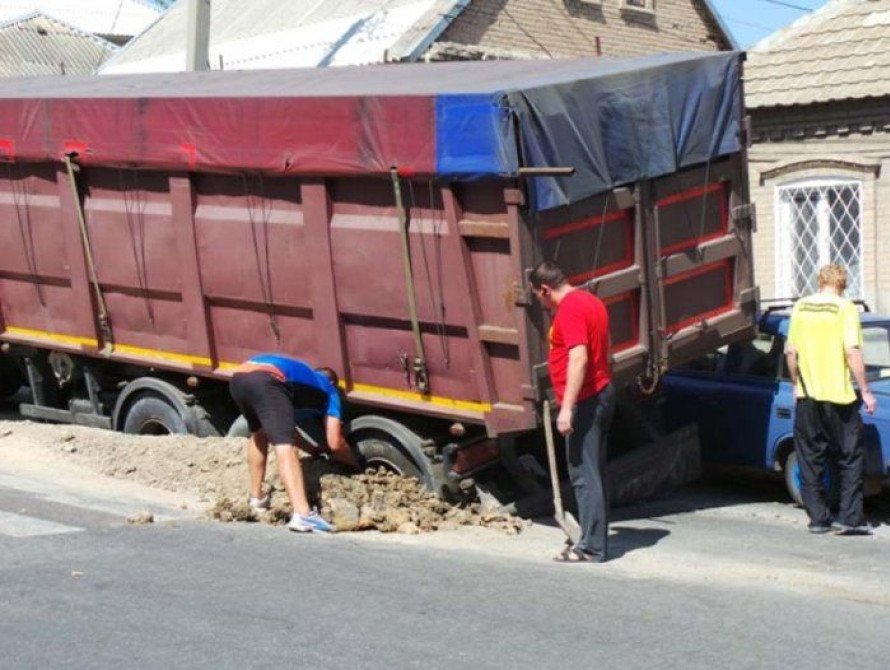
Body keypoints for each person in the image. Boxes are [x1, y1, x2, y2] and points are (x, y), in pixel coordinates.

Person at [530, 260, 616, 562]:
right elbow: (604, 347)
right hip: (602, 393)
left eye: (540, 299)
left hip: (586, 401)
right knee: (596, 473)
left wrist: (567, 408)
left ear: (545, 289)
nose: (543, 306)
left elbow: (578, 358)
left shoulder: (569, 311)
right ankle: (594, 539)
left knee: (583, 474)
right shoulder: (591, 300)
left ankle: (591, 548)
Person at [785, 264, 876, 535]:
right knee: (850, 456)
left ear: (820, 281)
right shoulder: (845, 309)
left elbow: (791, 353)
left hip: (808, 396)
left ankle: (818, 519)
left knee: (809, 457)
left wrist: (795, 384)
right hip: (839, 396)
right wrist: (866, 390)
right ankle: (849, 518)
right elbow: (852, 352)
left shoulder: (800, 307)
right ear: (843, 284)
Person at [229, 354, 360, 533]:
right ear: (333, 383)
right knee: (285, 447)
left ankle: (256, 498)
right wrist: (355, 465)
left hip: (239, 378)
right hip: (269, 380)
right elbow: (335, 443)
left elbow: (287, 429)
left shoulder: (302, 379)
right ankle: (303, 515)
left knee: (259, 434)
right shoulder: (329, 389)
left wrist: (312, 449)